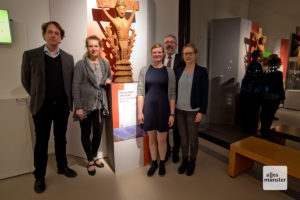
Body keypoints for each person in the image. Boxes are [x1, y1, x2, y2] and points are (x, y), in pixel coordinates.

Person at [21, 21, 77, 193]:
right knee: (41, 142)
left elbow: (70, 83)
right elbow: (26, 80)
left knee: (61, 138)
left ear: (61, 37)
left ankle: (62, 166)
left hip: (62, 106)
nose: (53, 35)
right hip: (41, 107)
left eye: (57, 33)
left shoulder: (68, 58)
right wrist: (37, 95)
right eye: (50, 32)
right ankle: (39, 176)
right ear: (45, 34)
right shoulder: (30, 55)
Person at [72, 35, 112, 176]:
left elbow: (109, 77)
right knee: (85, 133)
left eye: (96, 46)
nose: (93, 48)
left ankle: (95, 155)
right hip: (85, 105)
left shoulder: (105, 64)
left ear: (100, 48)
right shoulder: (80, 65)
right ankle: (90, 160)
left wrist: (109, 80)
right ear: (87, 47)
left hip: (101, 104)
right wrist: (78, 107)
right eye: (90, 46)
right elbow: (75, 86)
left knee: (98, 132)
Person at [137, 43, 176, 177]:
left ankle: (162, 163)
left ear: (163, 53)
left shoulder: (169, 71)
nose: (157, 54)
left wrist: (172, 114)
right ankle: (154, 162)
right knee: (152, 138)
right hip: (149, 109)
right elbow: (140, 92)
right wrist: (140, 112)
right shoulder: (144, 70)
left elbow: (172, 94)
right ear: (151, 54)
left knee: (162, 139)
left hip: (163, 109)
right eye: (154, 52)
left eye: (159, 52)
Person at [175, 43, 208, 176]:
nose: (187, 56)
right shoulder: (179, 70)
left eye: (190, 53)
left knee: (193, 138)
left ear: (195, 54)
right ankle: (184, 160)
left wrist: (202, 111)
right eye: (185, 54)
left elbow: (205, 93)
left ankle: (192, 160)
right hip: (179, 110)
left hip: (194, 110)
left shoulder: (201, 71)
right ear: (182, 56)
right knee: (183, 137)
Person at [162, 34, 185, 163]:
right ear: (164, 45)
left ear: (175, 45)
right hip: (163, 100)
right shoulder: (159, 59)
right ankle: (166, 151)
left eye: (172, 42)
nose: (169, 44)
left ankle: (176, 151)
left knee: (176, 128)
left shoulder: (182, 60)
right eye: (167, 42)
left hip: (177, 100)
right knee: (164, 127)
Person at [240, 50, 265, 134]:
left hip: (249, 93)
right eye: (261, 55)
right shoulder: (256, 65)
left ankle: (247, 128)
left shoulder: (252, 64)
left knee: (249, 111)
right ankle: (250, 129)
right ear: (257, 56)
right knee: (252, 111)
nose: (262, 57)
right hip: (253, 94)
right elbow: (257, 80)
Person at [260, 54, 285, 138]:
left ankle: (263, 129)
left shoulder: (266, 72)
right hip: (274, 97)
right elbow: (280, 86)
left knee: (264, 114)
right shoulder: (278, 73)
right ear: (277, 63)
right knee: (270, 115)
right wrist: (282, 98)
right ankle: (265, 132)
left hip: (265, 96)